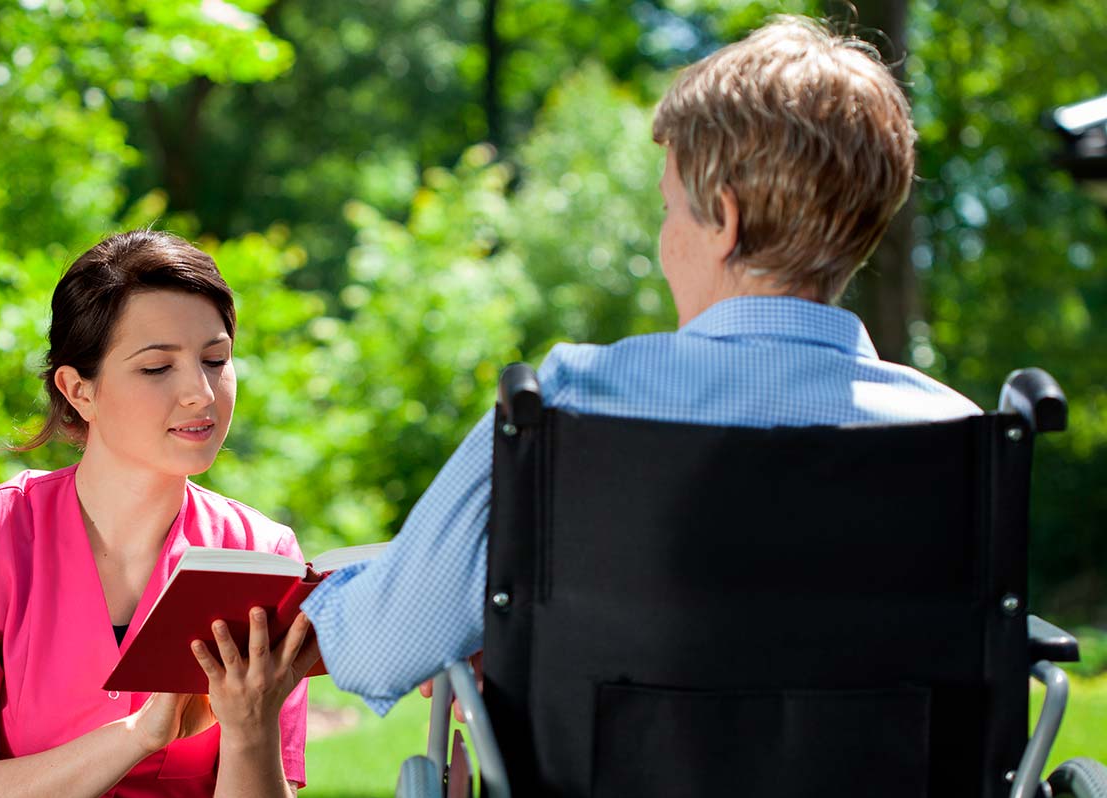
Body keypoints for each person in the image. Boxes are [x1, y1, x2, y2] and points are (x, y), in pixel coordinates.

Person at [301, 15, 982, 716]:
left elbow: (382, 644)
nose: (666, 239)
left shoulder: (573, 398)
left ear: (722, 220)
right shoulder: (955, 434)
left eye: (669, 210)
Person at [0, 229, 319, 798]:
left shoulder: (261, 557)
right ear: (78, 389)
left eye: (216, 359)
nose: (201, 393)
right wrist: (138, 735)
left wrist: (249, 731)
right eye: (157, 367)